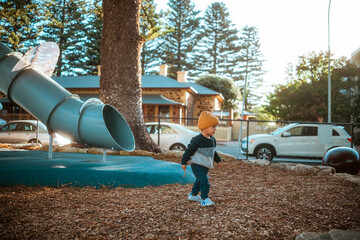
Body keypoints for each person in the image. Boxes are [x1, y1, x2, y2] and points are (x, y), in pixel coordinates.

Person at [181, 111, 223, 206]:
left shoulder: (212, 139)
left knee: (199, 180)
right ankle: (205, 199)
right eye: (213, 127)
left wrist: (218, 159)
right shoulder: (197, 140)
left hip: (205, 164)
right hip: (197, 164)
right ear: (204, 128)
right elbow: (188, 151)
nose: (215, 129)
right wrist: (184, 162)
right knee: (204, 181)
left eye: (215, 127)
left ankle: (193, 195)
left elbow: (213, 151)